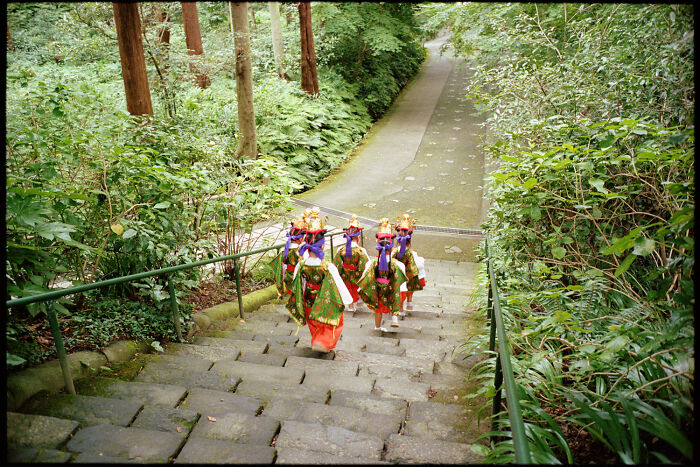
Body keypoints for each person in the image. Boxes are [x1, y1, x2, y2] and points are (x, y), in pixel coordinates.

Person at [286, 207, 353, 352]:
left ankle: (316, 340)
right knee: (330, 322)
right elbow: (339, 285)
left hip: (309, 298)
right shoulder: (327, 267)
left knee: (313, 321)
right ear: (322, 245)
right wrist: (347, 301)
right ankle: (321, 343)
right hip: (324, 300)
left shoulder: (301, 264)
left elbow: (297, 282)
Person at [357, 218, 407, 331]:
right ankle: (395, 317)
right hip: (391, 290)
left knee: (378, 309)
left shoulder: (372, 263)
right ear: (392, 246)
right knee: (397, 295)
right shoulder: (398, 265)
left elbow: (366, 278)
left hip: (377, 290)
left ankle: (377, 327)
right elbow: (401, 285)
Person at [332, 215, 370, 312]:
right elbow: (366, 266)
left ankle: (350, 306)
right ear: (358, 237)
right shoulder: (361, 251)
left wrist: (343, 272)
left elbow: (336, 264)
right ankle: (359, 301)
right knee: (358, 286)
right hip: (357, 275)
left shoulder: (341, 250)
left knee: (347, 287)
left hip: (345, 275)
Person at [392, 213, 426, 317]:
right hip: (409, 274)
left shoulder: (394, 251)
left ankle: (400, 308)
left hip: (398, 275)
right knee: (412, 282)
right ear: (409, 240)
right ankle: (409, 302)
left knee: (399, 290)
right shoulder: (412, 253)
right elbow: (418, 266)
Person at [271, 213, 307, 298]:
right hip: (298, 280)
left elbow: (281, 269)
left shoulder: (283, 251)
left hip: (287, 279)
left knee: (290, 295)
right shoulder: (302, 252)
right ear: (301, 239)